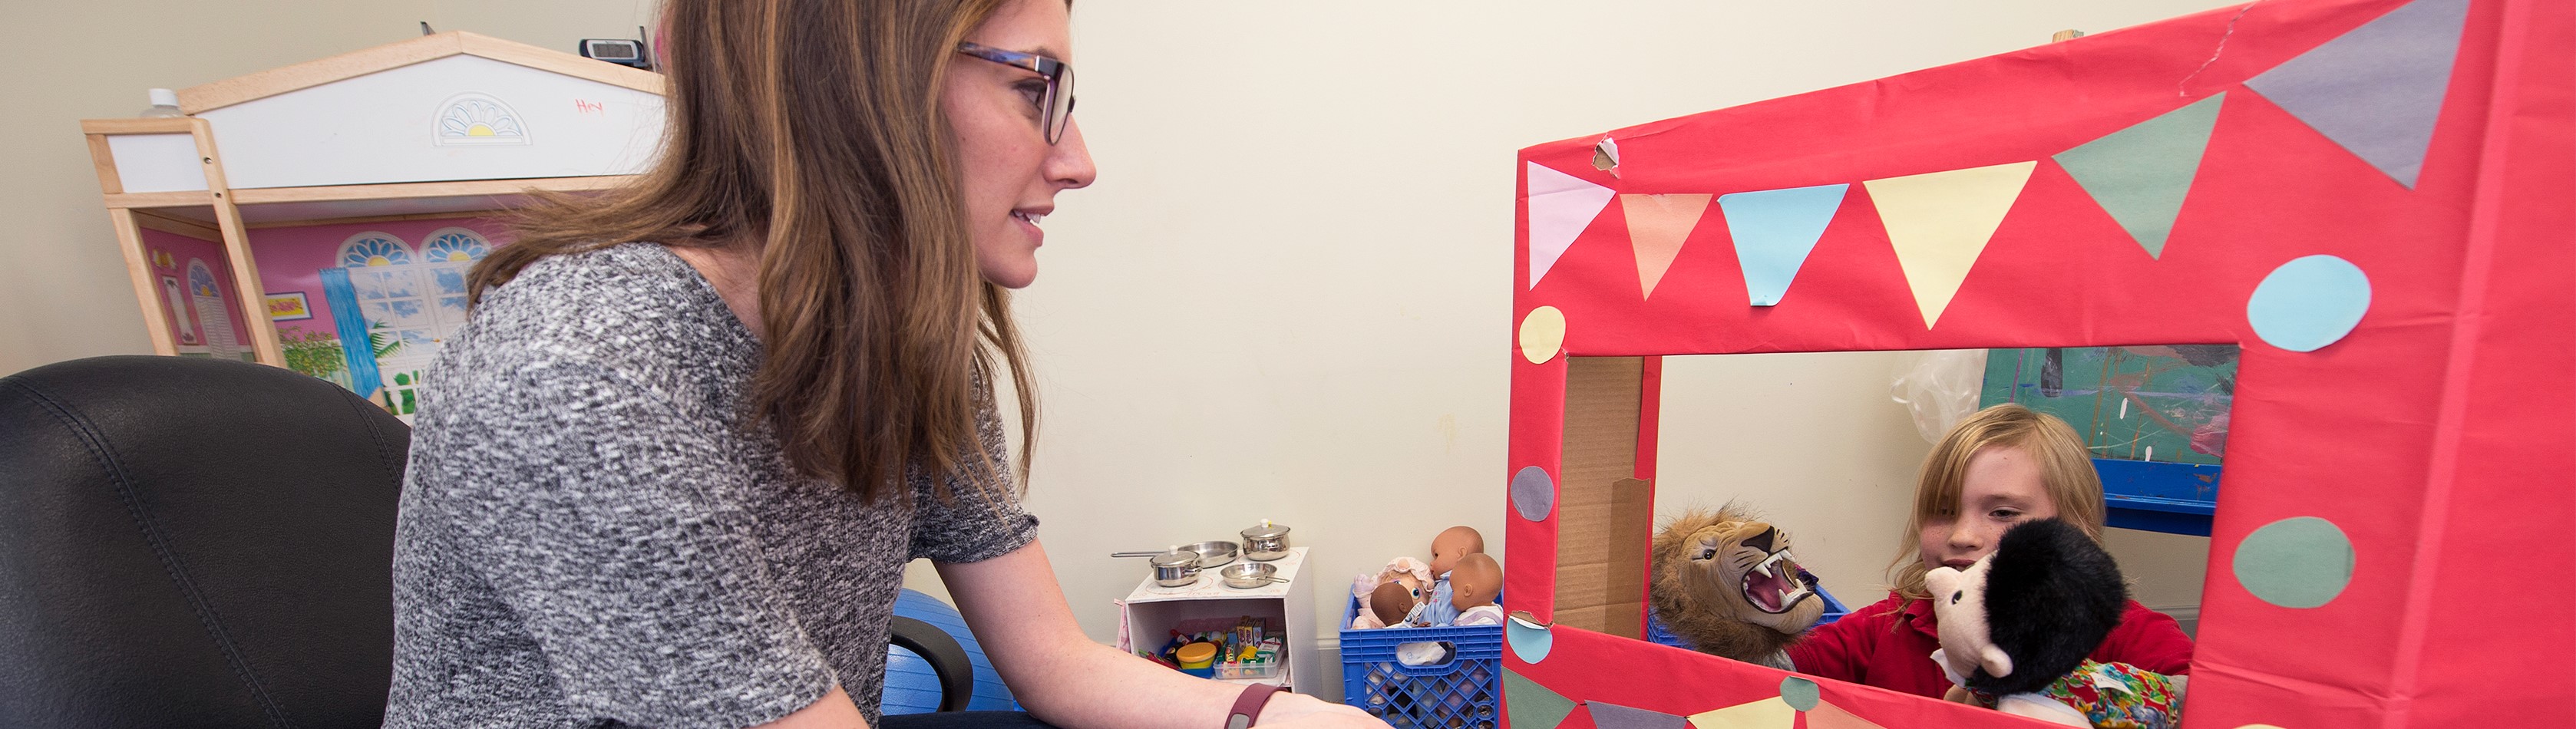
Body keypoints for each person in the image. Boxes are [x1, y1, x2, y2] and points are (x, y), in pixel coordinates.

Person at [383, 1, 1392, 727]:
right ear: (859, 78)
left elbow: (1054, 660)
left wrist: (1273, 714)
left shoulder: (909, 339)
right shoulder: (580, 375)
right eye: (1032, 86)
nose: (1078, 156)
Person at [1785, 404, 2194, 698]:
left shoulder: (2128, 633)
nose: (1962, 535)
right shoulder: (1886, 627)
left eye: (2002, 512)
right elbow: (1766, 678)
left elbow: (2208, 703)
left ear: (2073, 525)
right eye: (1942, 511)